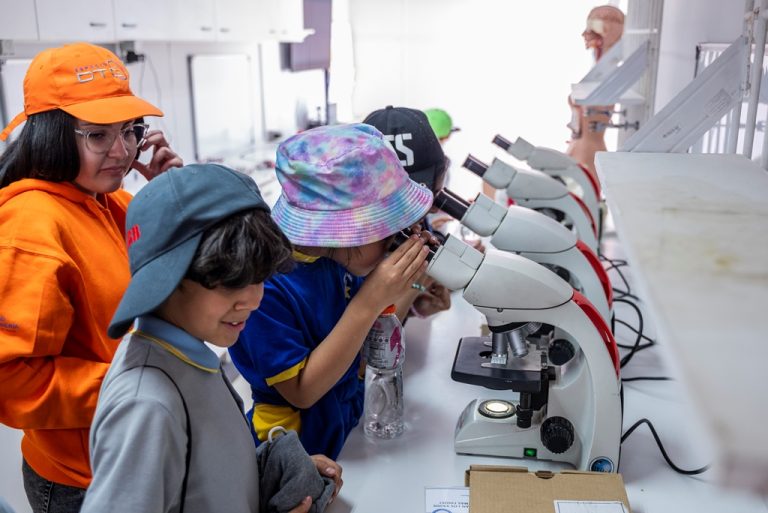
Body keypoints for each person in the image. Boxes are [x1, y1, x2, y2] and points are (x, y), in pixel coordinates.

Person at [81, 163, 341, 513]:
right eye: (233, 280)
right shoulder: (147, 405)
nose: (254, 299)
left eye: (260, 278)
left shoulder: (188, 355)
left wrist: (268, 473)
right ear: (167, 279)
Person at [0, 42, 182, 513]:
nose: (122, 151)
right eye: (98, 135)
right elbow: (12, 381)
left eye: (129, 130)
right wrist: (144, 383)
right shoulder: (31, 227)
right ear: (52, 135)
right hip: (84, 479)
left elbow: (173, 284)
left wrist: (169, 196)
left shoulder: (110, 202)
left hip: (133, 446)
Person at [229, 123, 434, 459]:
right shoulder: (264, 286)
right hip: (295, 451)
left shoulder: (336, 259)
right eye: (384, 228)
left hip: (346, 429)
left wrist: (412, 288)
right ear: (342, 230)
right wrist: (371, 300)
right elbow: (302, 391)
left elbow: (362, 344)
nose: (391, 240)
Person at [362, 105, 452, 321]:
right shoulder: (349, 259)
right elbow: (366, 348)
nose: (411, 220)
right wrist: (415, 283)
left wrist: (416, 304)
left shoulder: (412, 227)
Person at [566, 5, 625, 179]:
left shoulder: (607, 75)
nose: (584, 35)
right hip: (577, 149)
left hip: (588, 153)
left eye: (590, 29)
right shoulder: (598, 72)